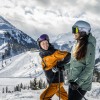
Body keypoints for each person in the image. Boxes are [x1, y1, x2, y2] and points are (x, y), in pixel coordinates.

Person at [64, 20, 96, 100]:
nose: (73, 33)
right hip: (73, 81)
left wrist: (78, 83)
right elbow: (74, 63)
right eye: (73, 30)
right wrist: (63, 67)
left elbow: (90, 67)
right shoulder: (77, 44)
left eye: (75, 30)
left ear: (83, 31)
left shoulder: (89, 46)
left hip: (81, 84)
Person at [37, 34, 71, 100]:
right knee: (65, 98)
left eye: (46, 43)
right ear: (40, 45)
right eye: (43, 43)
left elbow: (68, 55)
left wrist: (59, 65)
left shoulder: (54, 52)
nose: (45, 45)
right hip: (53, 81)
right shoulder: (43, 53)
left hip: (56, 81)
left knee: (43, 98)